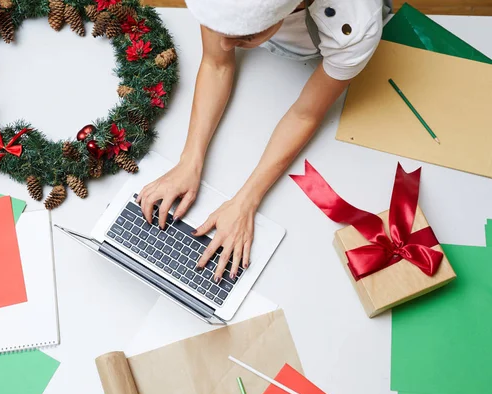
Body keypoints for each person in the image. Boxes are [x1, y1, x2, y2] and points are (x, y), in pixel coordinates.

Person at [137, 0, 389, 284]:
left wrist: (246, 201)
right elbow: (216, 62)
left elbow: (305, 114)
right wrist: (189, 162)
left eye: (244, 37)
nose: (223, 44)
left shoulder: (357, 25)